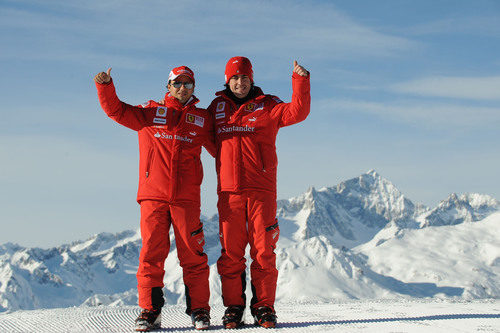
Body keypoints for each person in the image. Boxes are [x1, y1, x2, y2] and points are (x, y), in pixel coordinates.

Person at [94, 66, 215, 331]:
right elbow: (117, 111)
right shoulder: (150, 112)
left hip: (186, 198)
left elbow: (222, 148)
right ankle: (150, 311)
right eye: (178, 83)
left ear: (194, 88)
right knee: (151, 254)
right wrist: (106, 87)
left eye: (188, 84)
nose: (183, 88)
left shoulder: (202, 119)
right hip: (153, 197)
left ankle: (200, 311)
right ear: (168, 86)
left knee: (193, 256)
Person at [207, 57, 310, 328]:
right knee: (231, 253)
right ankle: (233, 308)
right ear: (227, 81)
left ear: (252, 79)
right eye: (234, 78)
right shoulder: (217, 107)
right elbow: (204, 136)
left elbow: (297, 112)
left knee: (264, 251)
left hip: (262, 191)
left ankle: (264, 307)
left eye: (244, 78)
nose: (239, 83)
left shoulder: (268, 105)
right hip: (229, 193)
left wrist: (300, 80)